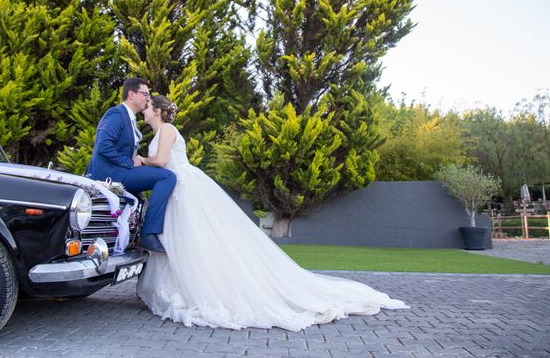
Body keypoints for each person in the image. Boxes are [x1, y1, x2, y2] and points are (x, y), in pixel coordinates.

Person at [136, 94, 408, 331]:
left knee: (193, 239)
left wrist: (141, 160)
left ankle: (204, 289)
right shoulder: (159, 132)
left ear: (158, 111)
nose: (144, 111)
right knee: (183, 239)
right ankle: (181, 287)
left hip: (183, 186)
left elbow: (160, 161)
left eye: (147, 107)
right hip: (174, 189)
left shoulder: (167, 129)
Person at [86, 78, 176, 253]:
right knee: (167, 176)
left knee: (146, 191)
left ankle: (134, 234)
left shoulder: (129, 119)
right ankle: (149, 233)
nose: (147, 98)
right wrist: (129, 163)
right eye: (145, 94)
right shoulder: (116, 114)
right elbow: (103, 146)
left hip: (120, 172)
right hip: (111, 175)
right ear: (131, 94)